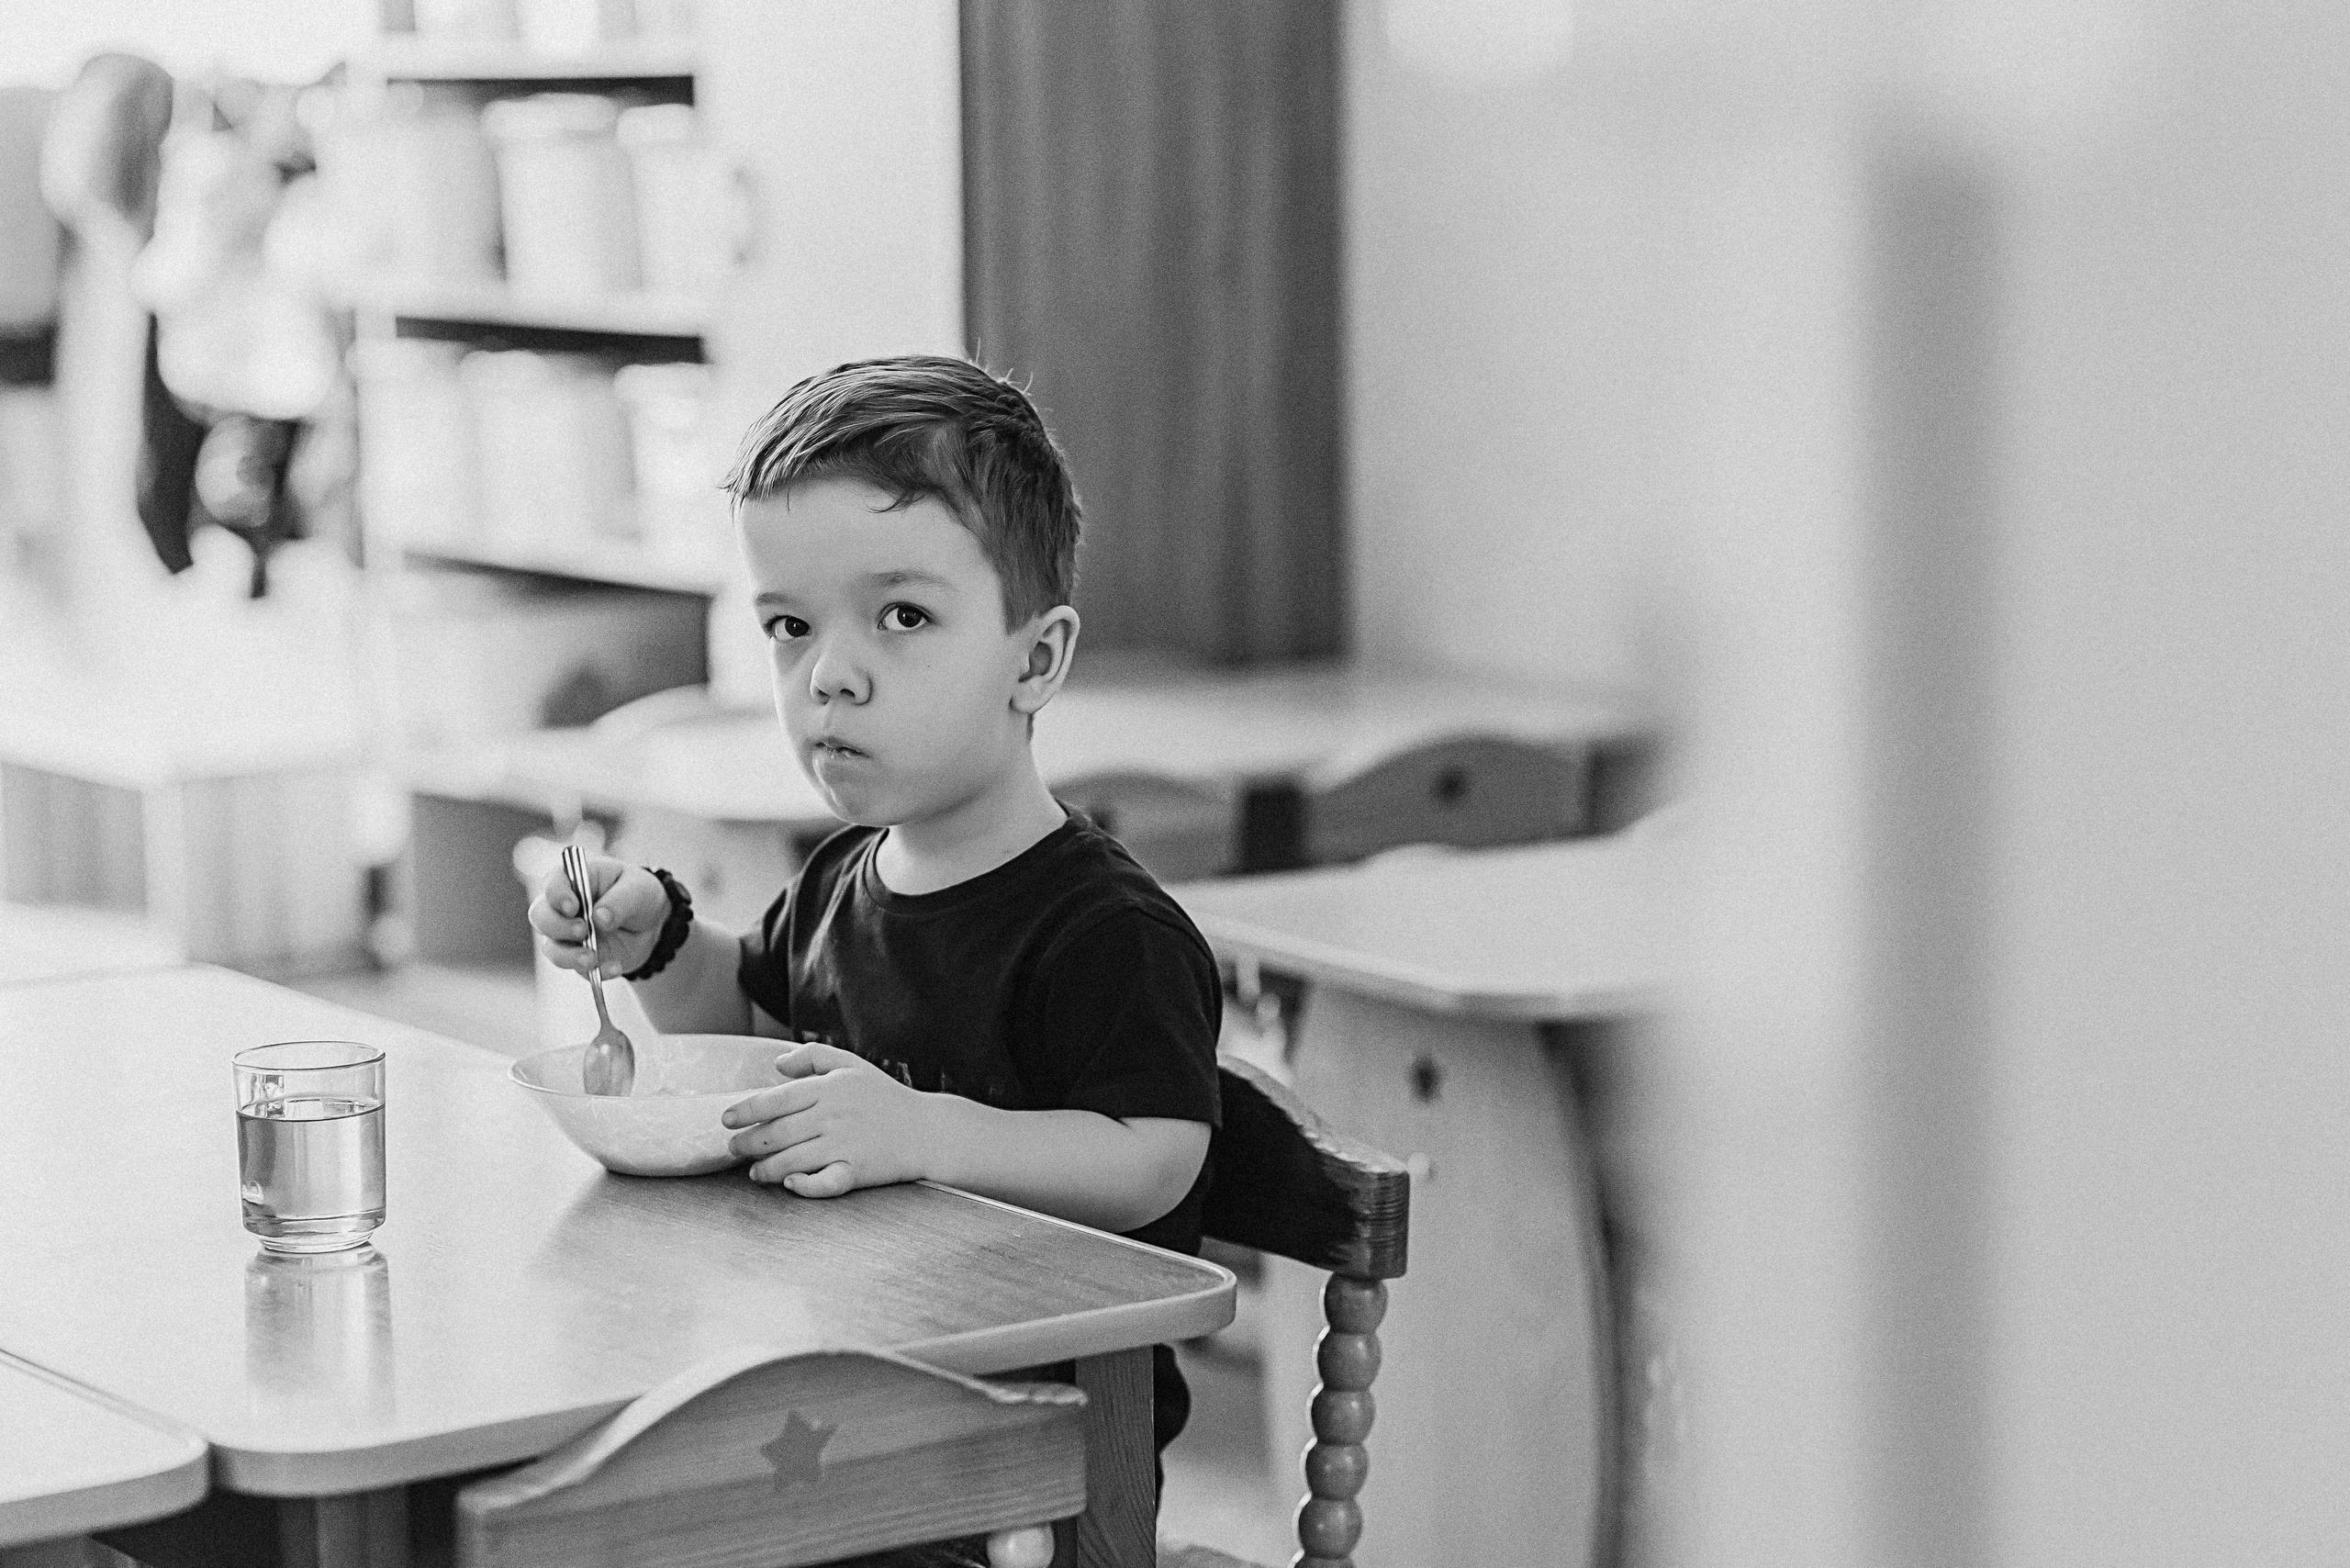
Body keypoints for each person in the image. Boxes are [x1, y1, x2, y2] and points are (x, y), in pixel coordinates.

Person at [527, 353, 1223, 1462]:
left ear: (1034, 659)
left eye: (900, 614)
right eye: (789, 627)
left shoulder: (1106, 929)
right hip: (844, 1384)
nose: (829, 677)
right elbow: (749, 1042)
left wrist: (922, 1133)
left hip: (1035, 1436)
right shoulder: (838, 880)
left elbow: (1154, 1160)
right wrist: (658, 940)